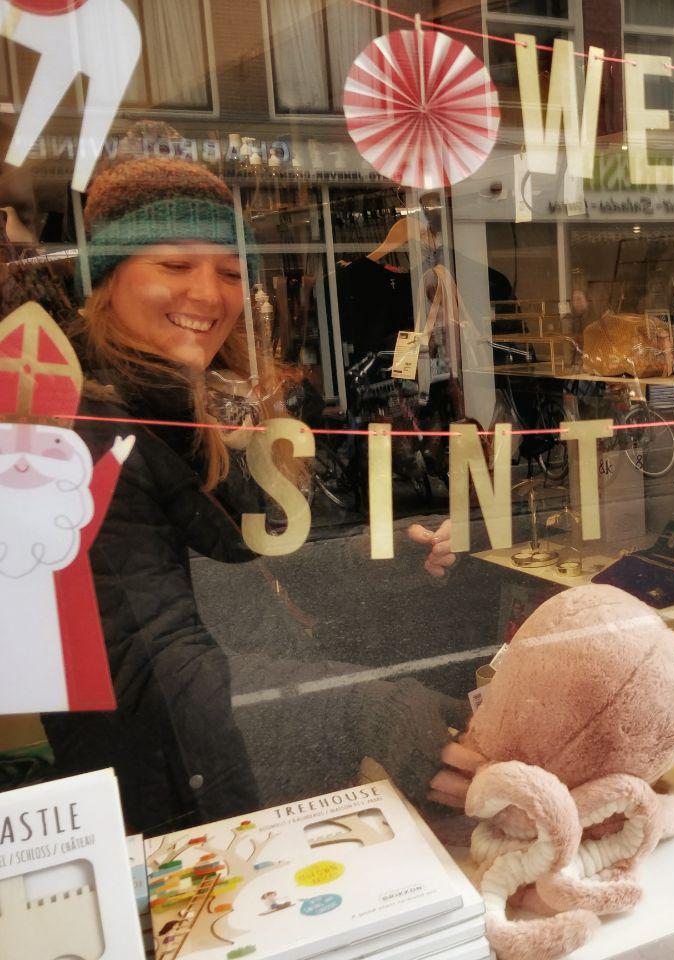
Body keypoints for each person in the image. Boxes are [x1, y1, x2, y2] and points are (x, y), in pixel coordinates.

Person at [40, 157, 455, 834]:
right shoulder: (83, 437)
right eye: (175, 265)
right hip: (176, 805)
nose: (208, 292)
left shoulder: (182, 411)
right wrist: (357, 710)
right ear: (107, 278)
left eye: (231, 272)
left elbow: (231, 572)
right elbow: (150, 663)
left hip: (241, 775)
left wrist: (370, 557)